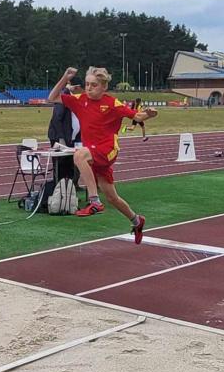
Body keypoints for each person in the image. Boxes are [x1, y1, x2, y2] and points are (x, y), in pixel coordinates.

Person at [49, 66, 157, 243]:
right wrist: (65, 78)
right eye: (87, 84)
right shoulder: (80, 100)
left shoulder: (112, 103)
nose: (89, 88)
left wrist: (150, 114)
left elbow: (137, 116)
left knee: (79, 155)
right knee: (112, 197)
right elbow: (52, 98)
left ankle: (94, 201)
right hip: (92, 153)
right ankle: (137, 220)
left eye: (94, 85)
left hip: (107, 149)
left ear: (104, 87)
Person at [47, 76, 82, 182]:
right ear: (75, 87)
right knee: (61, 163)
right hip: (60, 136)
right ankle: (59, 186)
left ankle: (72, 185)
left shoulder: (79, 98)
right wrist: (61, 138)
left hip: (74, 137)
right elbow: (57, 118)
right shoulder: (64, 96)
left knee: (73, 162)